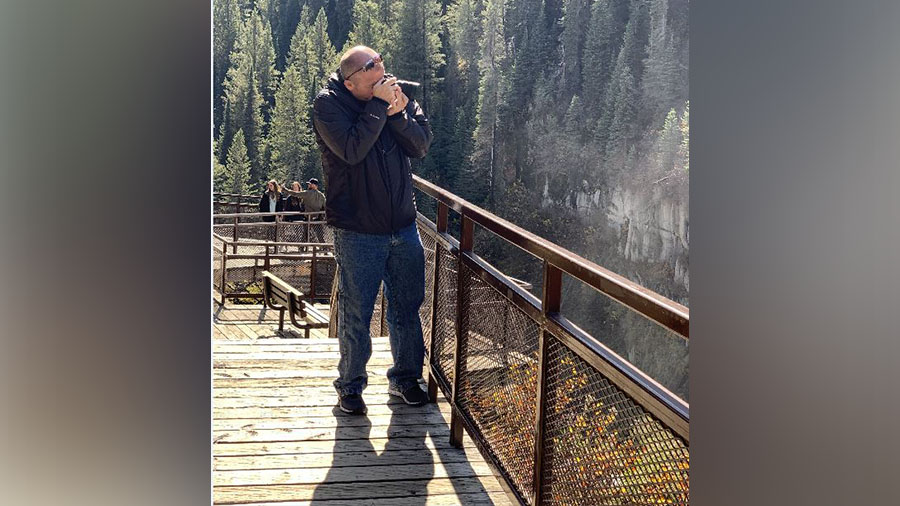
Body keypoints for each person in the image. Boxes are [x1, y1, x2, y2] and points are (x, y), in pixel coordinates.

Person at [312, 45, 433, 415]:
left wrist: (398, 115)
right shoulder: (328, 105)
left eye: (380, 61)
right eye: (371, 66)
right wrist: (380, 108)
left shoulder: (397, 95)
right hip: (357, 229)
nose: (381, 69)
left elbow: (421, 145)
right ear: (350, 82)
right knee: (357, 311)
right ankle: (350, 387)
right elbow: (351, 149)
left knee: (407, 307)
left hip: (402, 225)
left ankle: (406, 379)